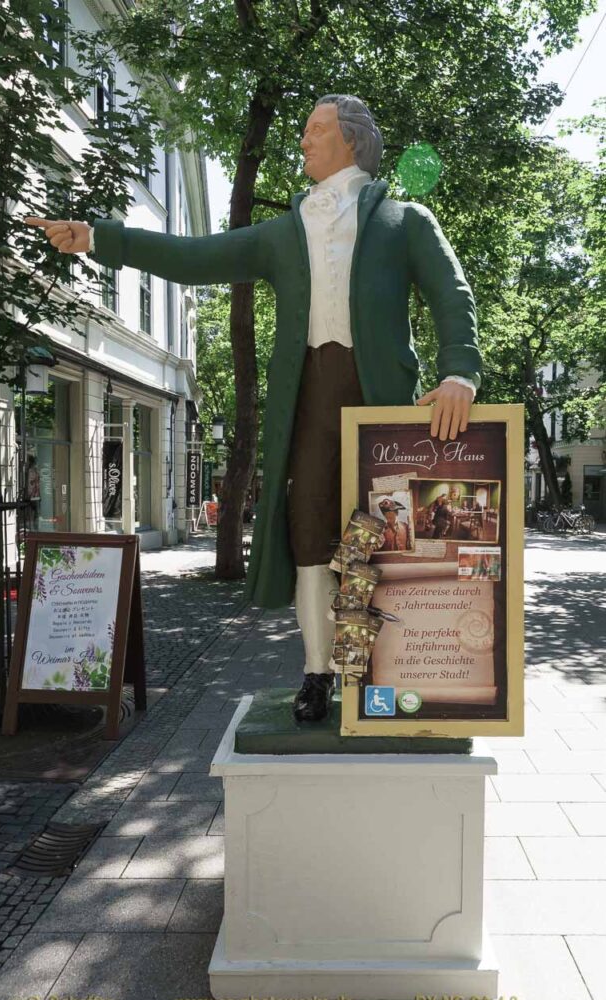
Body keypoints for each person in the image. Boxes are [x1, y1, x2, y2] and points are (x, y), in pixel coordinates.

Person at [25, 94, 481, 723]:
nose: (303, 140)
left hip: (382, 402)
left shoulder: (406, 221)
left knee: (384, 538)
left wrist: (459, 372)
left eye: (316, 129)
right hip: (309, 399)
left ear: (352, 139)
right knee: (310, 536)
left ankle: (381, 674)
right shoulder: (283, 232)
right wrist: (103, 238)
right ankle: (318, 672)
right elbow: (197, 256)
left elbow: (452, 294)